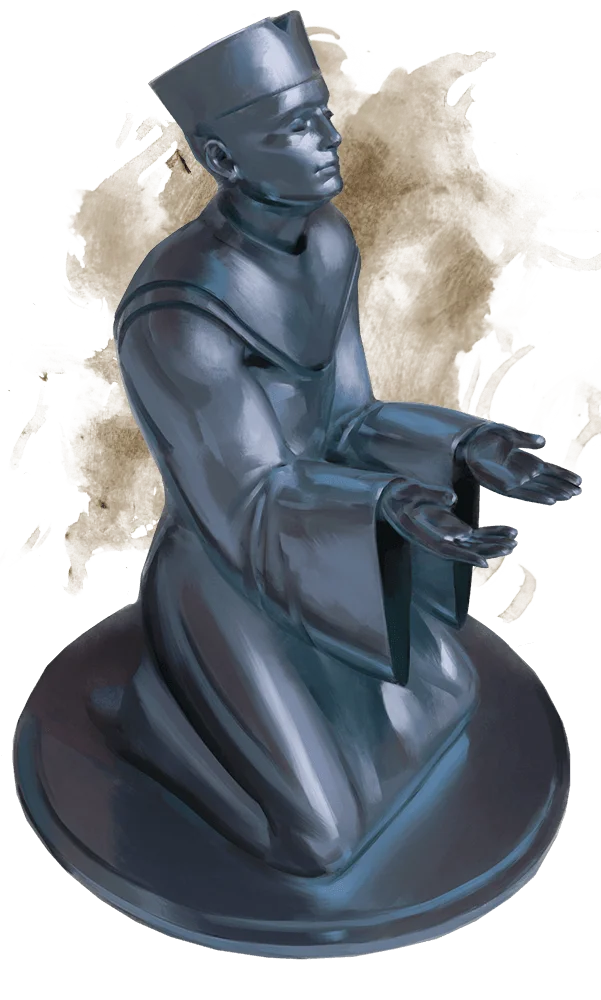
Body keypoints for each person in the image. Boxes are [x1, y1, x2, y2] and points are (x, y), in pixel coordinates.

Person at [93, 13, 580, 879]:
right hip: (226, 571)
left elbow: (351, 421)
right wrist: (388, 504)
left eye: (321, 112)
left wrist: (471, 447)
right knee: (317, 842)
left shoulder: (326, 241)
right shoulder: (176, 312)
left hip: (325, 533)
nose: (329, 139)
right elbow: (244, 502)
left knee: (451, 697)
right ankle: (156, 724)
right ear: (223, 159)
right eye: (293, 127)